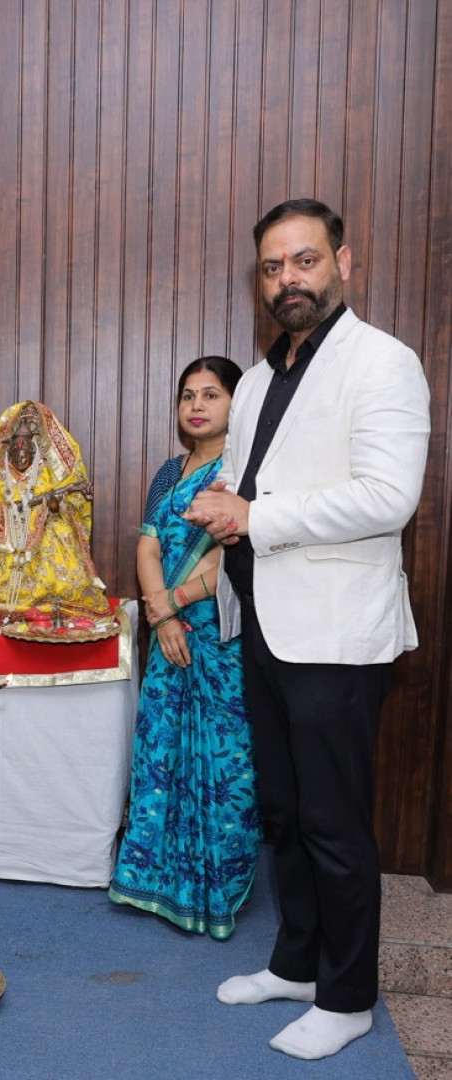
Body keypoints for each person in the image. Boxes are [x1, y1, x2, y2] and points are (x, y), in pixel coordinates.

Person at [187, 199, 430, 1060]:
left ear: (342, 262)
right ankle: (296, 964)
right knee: (285, 815)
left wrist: (255, 515)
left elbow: (387, 498)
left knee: (332, 821)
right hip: (261, 623)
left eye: (304, 259)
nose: (287, 278)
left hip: (334, 633)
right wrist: (224, 507)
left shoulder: (382, 362)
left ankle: (348, 995)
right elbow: (246, 484)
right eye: (271, 266)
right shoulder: (258, 378)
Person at [109, 356, 260, 939]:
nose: (197, 406)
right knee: (161, 751)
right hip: (168, 630)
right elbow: (147, 546)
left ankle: (216, 889)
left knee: (222, 760)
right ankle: (155, 882)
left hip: (219, 635)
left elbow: (235, 551)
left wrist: (172, 603)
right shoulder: (169, 473)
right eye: (188, 395)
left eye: (211, 394)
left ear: (235, 404)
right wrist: (161, 613)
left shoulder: (244, 469)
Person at [0, 400, 113, 635]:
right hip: (1, 535)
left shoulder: (46, 470)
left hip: (43, 533)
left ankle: (53, 610)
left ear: (34, 449)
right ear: (8, 450)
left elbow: (65, 508)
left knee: (64, 566)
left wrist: (53, 504)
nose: (20, 457)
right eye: (15, 453)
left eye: (25, 452)